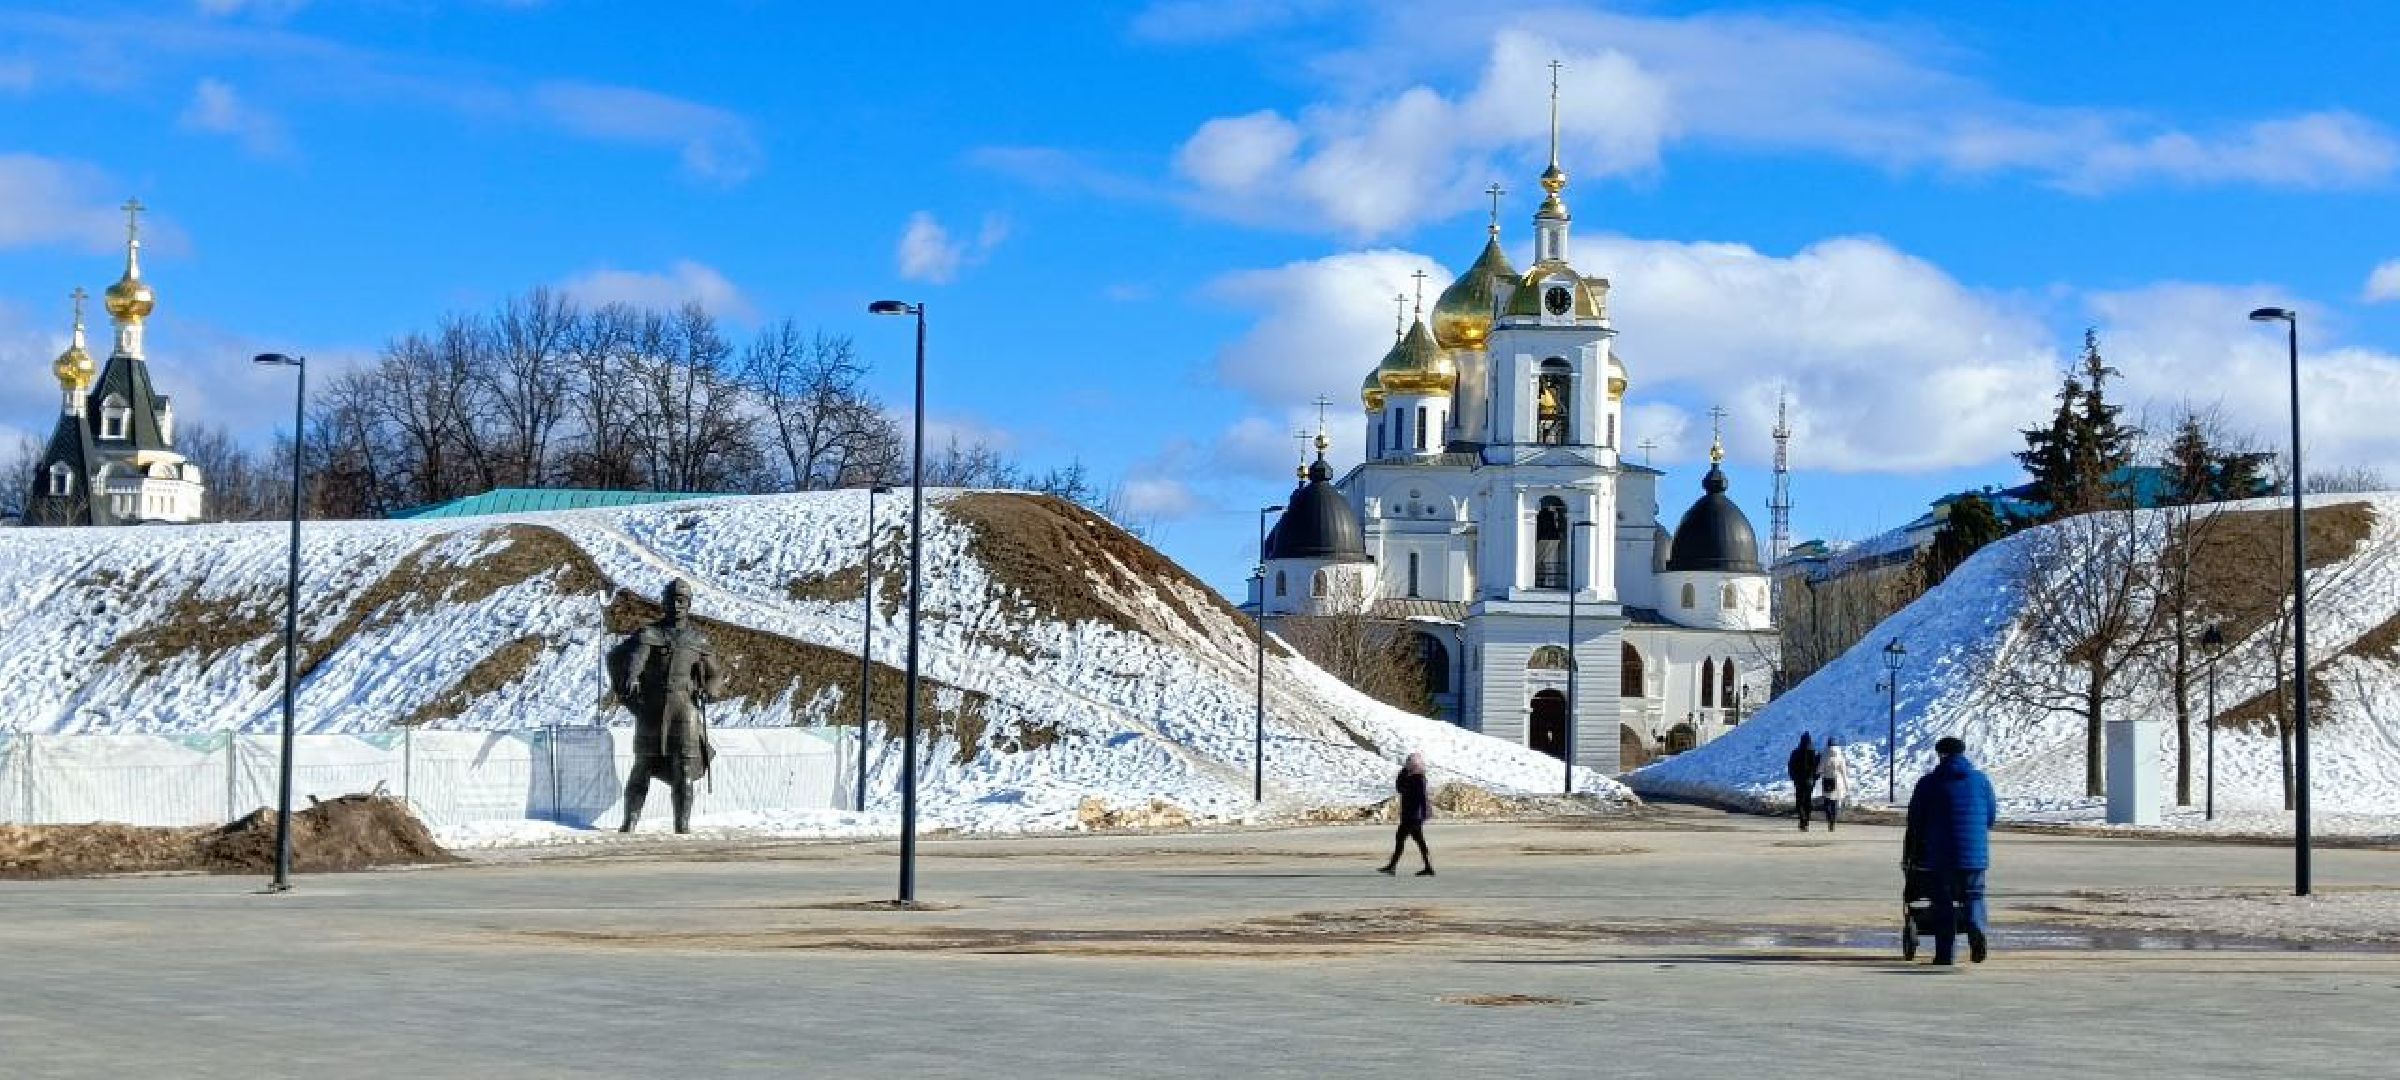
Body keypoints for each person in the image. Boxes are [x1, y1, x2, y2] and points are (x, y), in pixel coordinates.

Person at [607, 579, 728, 834]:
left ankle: (681, 826)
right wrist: (629, 681)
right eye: (672, 599)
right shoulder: (649, 635)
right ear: (663, 601)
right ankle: (629, 822)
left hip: (684, 711)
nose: (676, 605)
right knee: (642, 765)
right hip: (651, 709)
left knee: (683, 767)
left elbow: (716, 674)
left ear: (689, 604)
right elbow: (628, 659)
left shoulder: (697, 640)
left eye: (682, 601)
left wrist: (710, 691)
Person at [1902, 736, 1998, 966]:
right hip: (1975, 854)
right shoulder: (1981, 781)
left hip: (1940, 855)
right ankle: (1976, 928)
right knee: (1974, 894)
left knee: (1942, 902)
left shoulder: (1928, 783)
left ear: (1941, 755)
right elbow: (1991, 816)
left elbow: (1915, 821)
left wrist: (1915, 848)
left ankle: (1945, 955)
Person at [1378, 753, 1435, 877]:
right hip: (1413, 815)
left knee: (1400, 838)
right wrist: (1403, 772)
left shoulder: (1418, 779)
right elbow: (1400, 788)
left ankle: (1392, 866)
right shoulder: (1412, 777)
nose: (1408, 766)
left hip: (1413, 815)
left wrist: (1424, 813)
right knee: (1419, 840)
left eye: (1410, 764)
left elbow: (1421, 798)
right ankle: (1428, 867)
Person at [1786, 733, 1820, 831]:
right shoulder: (1813, 754)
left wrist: (1794, 777)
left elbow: (1791, 766)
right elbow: (1817, 768)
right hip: (1810, 781)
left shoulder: (1795, 753)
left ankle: (1802, 820)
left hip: (1799, 781)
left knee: (1799, 801)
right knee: (1808, 800)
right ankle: (1807, 821)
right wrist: (1815, 778)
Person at [1817, 736, 1851, 832]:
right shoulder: (1840, 756)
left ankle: (1829, 820)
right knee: (1835, 803)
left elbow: (1819, 769)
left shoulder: (1824, 755)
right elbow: (1844, 772)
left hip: (1827, 780)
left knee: (1827, 802)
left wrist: (1822, 773)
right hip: (1838, 781)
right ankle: (1833, 821)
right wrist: (1846, 785)